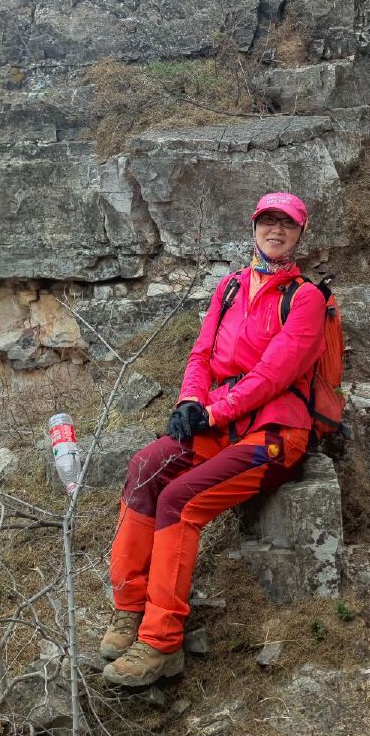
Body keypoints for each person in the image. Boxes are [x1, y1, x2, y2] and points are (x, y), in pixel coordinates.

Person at [101, 192, 327, 689]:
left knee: (180, 500)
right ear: (254, 227)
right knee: (145, 468)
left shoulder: (305, 298)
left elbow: (273, 374)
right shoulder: (228, 289)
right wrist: (188, 402)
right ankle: (130, 608)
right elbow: (201, 354)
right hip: (218, 425)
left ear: (299, 233)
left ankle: (161, 643)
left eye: (286, 224)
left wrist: (211, 411)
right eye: (267, 221)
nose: (275, 230)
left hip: (273, 434)